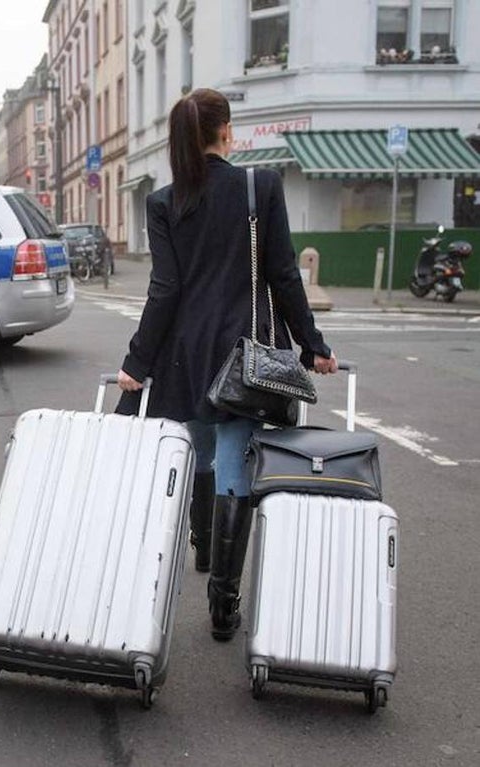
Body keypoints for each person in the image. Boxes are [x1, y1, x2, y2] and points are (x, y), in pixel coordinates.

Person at [114, 88, 338, 642]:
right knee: (236, 462)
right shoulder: (259, 188)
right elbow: (284, 275)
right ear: (227, 132)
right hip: (244, 356)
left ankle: (202, 539)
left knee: (200, 451)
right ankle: (224, 601)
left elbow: (164, 290)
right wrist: (313, 346)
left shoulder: (164, 202)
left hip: (185, 355)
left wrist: (137, 364)